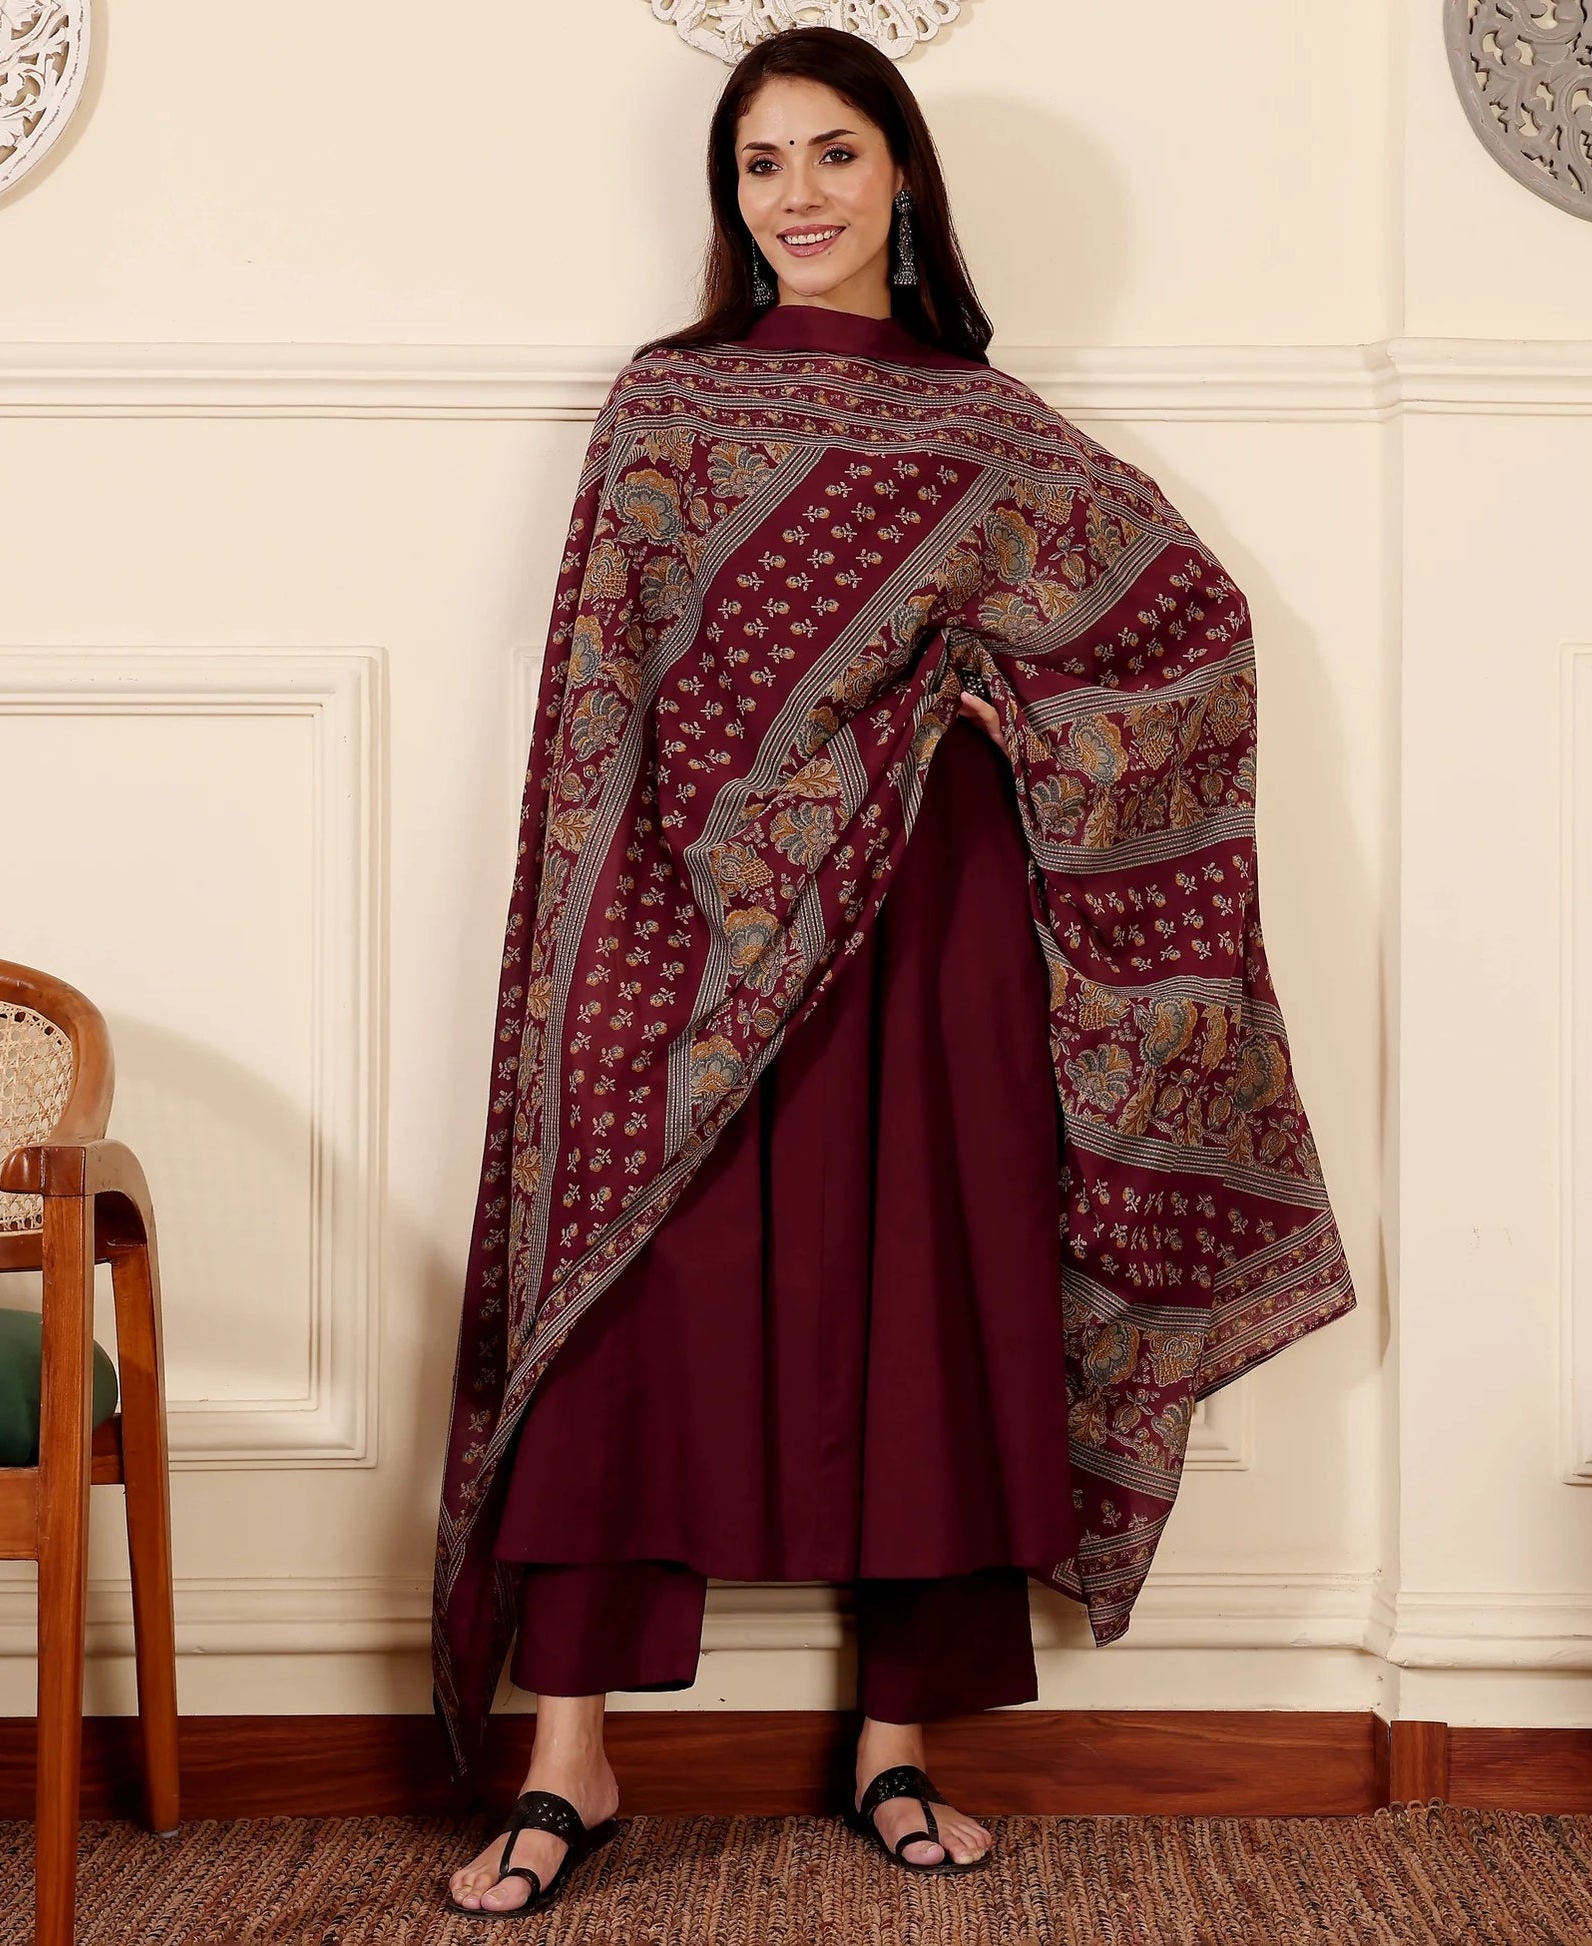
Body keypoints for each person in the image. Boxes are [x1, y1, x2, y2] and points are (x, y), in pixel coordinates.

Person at [438, 24, 1355, 1920]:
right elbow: (601, 683)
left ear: (904, 175)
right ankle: (567, 1752)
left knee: (929, 1297)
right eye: (760, 163)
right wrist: (636, 910)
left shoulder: (987, 427)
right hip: (681, 920)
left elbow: (1183, 626)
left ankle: (895, 1742)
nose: (799, 195)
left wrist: (989, 715)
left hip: (927, 914)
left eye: (834, 152)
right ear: (729, 197)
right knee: (628, 1306)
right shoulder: (664, 405)